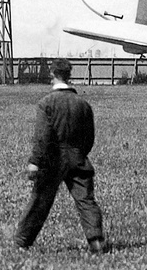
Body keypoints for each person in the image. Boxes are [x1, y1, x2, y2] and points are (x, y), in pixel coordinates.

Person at [15, 59, 109, 254]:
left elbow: (43, 137)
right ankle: (96, 241)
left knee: (40, 201)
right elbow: (89, 136)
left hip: (52, 161)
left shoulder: (46, 103)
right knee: (86, 201)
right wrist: (79, 152)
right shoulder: (83, 104)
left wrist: (35, 161)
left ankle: (22, 241)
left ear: (52, 74)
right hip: (78, 158)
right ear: (69, 75)